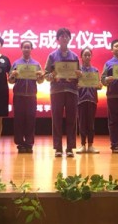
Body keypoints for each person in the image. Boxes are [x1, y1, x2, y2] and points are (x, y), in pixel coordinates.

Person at [44, 27, 82, 158]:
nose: (64, 38)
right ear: (57, 39)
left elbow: (79, 76)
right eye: (62, 36)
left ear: (70, 39)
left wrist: (78, 74)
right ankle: (58, 147)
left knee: (72, 119)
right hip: (56, 91)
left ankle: (70, 147)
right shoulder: (52, 56)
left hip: (72, 91)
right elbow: (46, 75)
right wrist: (52, 75)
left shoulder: (75, 56)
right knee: (57, 119)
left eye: (66, 36)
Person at [9, 40, 44, 154]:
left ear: (31, 49)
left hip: (31, 96)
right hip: (19, 95)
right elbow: (10, 80)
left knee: (30, 120)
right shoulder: (16, 63)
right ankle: (20, 143)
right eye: (24, 47)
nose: (26, 49)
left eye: (28, 47)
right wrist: (13, 75)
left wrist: (40, 76)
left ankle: (29, 143)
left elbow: (40, 81)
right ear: (21, 49)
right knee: (19, 120)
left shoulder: (36, 64)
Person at [76, 47, 102, 154]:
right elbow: (74, 85)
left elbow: (99, 85)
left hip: (92, 99)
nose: (87, 57)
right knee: (82, 123)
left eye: (89, 55)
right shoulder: (78, 72)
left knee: (91, 123)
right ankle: (82, 145)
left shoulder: (95, 71)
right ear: (81, 57)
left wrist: (99, 85)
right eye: (85, 55)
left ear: (91, 56)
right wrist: (77, 85)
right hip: (81, 99)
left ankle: (90, 145)